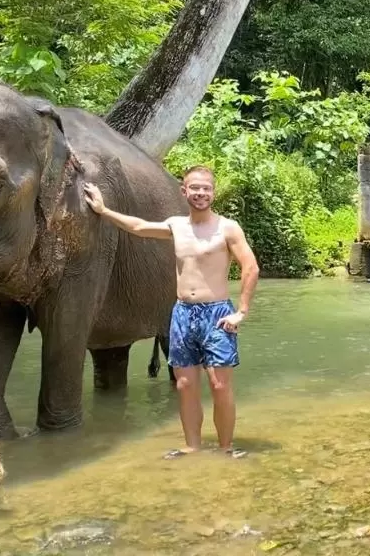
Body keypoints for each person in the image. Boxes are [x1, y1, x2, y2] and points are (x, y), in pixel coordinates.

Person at [82, 165, 260, 460]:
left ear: (213, 192)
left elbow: (250, 267)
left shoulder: (227, 228)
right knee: (186, 385)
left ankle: (227, 447)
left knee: (219, 384)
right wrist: (103, 210)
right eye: (195, 188)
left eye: (206, 188)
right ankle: (192, 446)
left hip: (217, 315)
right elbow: (138, 227)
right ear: (184, 191)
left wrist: (241, 311)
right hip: (182, 314)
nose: (201, 193)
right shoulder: (176, 226)